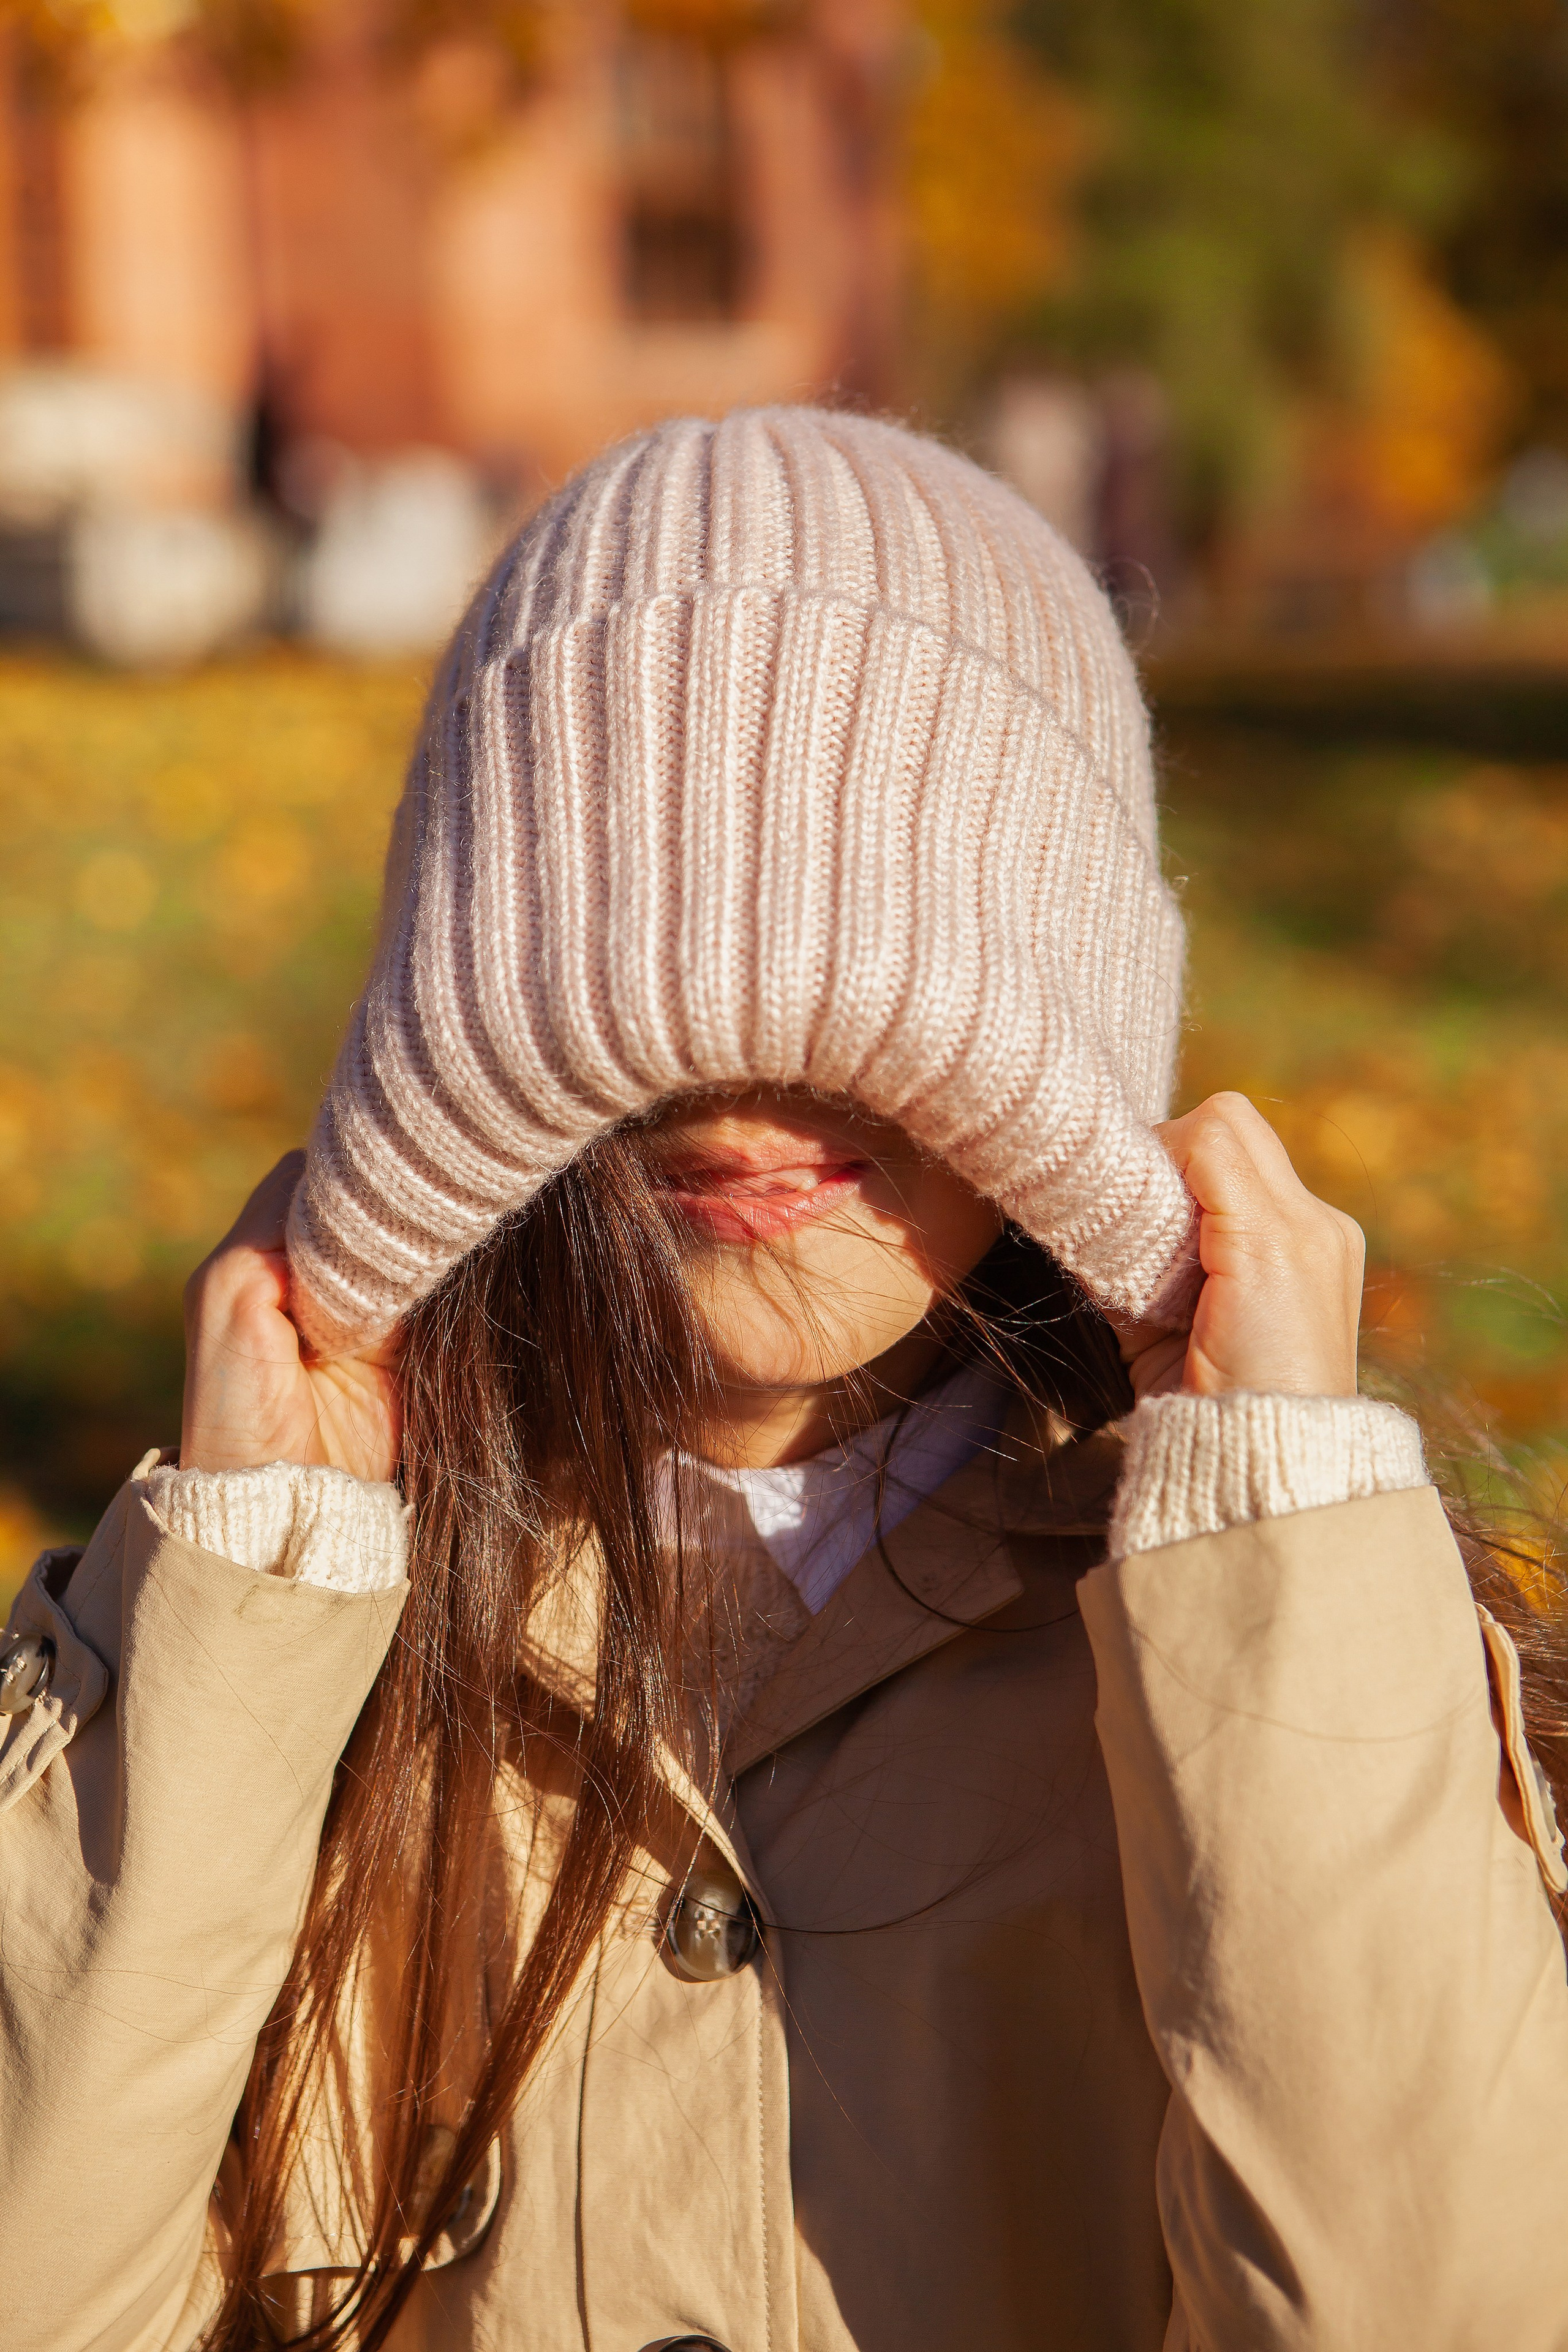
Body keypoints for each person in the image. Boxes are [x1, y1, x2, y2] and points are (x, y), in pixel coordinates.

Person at [4, 407, 1567, 2352]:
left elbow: (1427, 2305)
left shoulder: (1226, 1662)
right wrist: (230, 1609)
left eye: (877, 998)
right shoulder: (302, 1641)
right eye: (614, 996)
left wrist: (1284, 1543)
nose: (739, 1087)